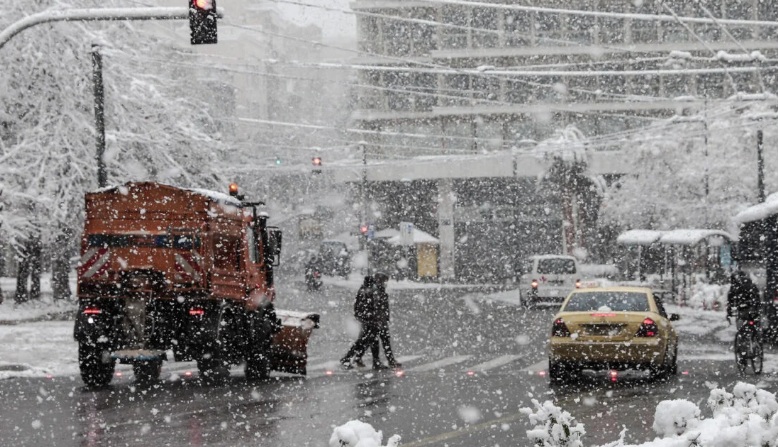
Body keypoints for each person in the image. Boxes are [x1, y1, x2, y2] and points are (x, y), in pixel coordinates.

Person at [340, 275, 382, 369]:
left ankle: (371, 360)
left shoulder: (363, 290)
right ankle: (349, 358)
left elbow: (358, 307)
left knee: (368, 340)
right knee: (365, 341)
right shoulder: (366, 292)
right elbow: (367, 307)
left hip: (367, 319)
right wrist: (371, 316)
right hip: (368, 320)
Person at [370, 272, 402, 369]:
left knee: (382, 340)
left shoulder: (379, 290)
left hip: (380, 319)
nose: (385, 283)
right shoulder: (376, 291)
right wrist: (379, 318)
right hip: (377, 320)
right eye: (384, 281)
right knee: (380, 340)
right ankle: (381, 361)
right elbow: (376, 306)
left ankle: (385, 360)